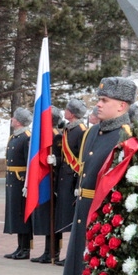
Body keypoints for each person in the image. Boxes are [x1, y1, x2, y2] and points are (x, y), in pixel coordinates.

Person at [57, 77, 136, 275]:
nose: (98, 104)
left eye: (105, 101)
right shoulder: (93, 132)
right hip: (85, 215)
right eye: (99, 99)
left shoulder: (126, 136)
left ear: (122, 106)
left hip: (106, 220)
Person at [54, 99, 87, 266]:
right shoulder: (69, 129)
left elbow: (82, 158)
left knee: (74, 220)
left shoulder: (81, 131)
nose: (64, 112)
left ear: (72, 113)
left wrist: (79, 183)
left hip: (73, 179)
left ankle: (74, 256)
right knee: (65, 218)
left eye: (67, 109)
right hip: (64, 178)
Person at [30, 106, 64, 264]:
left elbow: (62, 159)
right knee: (46, 217)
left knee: (52, 218)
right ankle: (47, 251)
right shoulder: (45, 135)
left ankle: (53, 252)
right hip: (45, 181)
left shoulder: (56, 136)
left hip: (53, 181)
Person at [3, 108, 33, 259]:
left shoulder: (27, 137)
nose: (12, 119)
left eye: (14, 118)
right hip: (12, 180)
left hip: (21, 180)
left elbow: (30, 162)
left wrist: (28, 183)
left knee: (22, 214)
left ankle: (25, 248)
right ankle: (20, 247)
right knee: (15, 213)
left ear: (19, 121)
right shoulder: (14, 137)